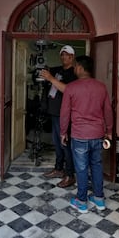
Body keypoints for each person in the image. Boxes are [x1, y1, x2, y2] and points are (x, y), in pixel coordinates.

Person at [60, 55, 113, 213]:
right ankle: (99, 199)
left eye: (76, 66)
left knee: (81, 168)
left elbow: (65, 113)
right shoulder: (101, 87)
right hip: (97, 134)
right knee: (96, 166)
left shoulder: (71, 87)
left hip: (80, 135)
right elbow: (108, 111)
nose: (75, 69)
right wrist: (109, 130)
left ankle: (81, 201)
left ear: (81, 68)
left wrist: (63, 132)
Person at [40, 45, 77, 188]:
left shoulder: (74, 74)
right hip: (54, 113)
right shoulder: (58, 70)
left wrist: (50, 78)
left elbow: (67, 90)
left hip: (64, 114)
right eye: (61, 54)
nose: (63, 57)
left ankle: (70, 174)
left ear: (72, 57)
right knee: (57, 143)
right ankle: (59, 168)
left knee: (65, 144)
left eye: (66, 55)